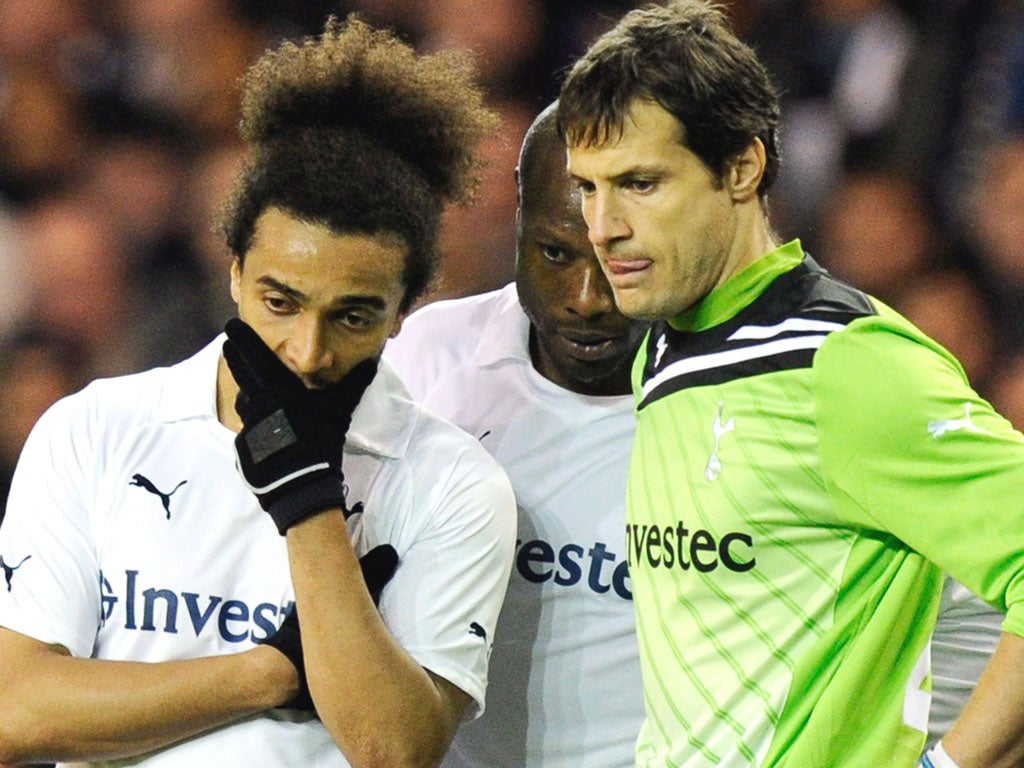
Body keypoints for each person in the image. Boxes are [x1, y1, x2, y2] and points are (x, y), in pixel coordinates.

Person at [0, 17, 517, 768]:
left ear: (406, 308)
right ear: (235, 269)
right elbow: (14, 715)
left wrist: (307, 498)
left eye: (353, 315)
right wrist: (265, 673)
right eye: (281, 302)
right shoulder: (95, 430)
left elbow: (393, 750)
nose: (308, 351)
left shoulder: (454, 483)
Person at [557, 2, 1024, 766]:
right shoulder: (660, 355)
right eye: (589, 187)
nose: (602, 225)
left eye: (639, 183)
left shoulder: (843, 364)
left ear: (742, 168)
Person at [386, 102, 649, 767]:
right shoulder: (426, 357)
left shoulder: (744, 402)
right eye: (556, 252)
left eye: (622, 256)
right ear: (519, 217)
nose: (587, 296)